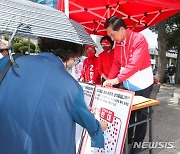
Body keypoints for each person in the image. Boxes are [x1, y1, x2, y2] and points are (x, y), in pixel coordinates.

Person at [0, 37, 107, 154]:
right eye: (76, 59)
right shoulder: (71, 86)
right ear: (71, 54)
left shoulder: (9, 62)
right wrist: (99, 127)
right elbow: (90, 123)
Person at [103, 16, 153, 153]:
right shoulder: (118, 43)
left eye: (112, 35)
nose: (112, 39)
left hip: (143, 84)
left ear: (122, 29)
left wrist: (116, 80)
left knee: (143, 116)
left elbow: (134, 65)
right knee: (128, 114)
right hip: (127, 83)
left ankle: (137, 145)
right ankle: (128, 139)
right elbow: (117, 63)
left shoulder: (139, 39)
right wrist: (110, 80)